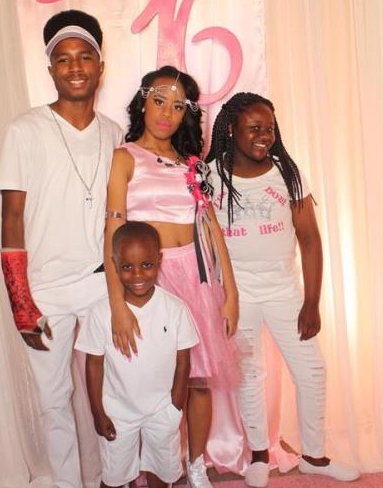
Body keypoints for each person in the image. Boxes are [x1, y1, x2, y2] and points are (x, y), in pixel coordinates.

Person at [0, 10, 123, 488]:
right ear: (50, 69)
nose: (75, 68)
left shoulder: (114, 133)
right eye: (63, 59)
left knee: (113, 390)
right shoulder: (25, 130)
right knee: (54, 399)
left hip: (100, 285)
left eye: (84, 56)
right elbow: (11, 218)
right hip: (45, 288)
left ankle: (113, 477)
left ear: (100, 66)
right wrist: (21, 302)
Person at [207, 92, 360, 486]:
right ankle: (259, 455)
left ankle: (314, 457)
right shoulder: (211, 176)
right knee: (249, 373)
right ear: (231, 129)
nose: (265, 136)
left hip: (284, 292)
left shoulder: (286, 174)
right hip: (237, 295)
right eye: (254, 128)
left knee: (311, 371)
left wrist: (311, 302)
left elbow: (310, 240)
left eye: (270, 128)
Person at [104, 65, 239, 487]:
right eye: (159, 101)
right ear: (143, 103)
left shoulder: (192, 165)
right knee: (153, 381)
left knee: (198, 378)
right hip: (151, 282)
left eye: (178, 106)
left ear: (187, 114)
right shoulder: (124, 158)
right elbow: (112, 234)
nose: (166, 113)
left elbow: (211, 229)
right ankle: (148, 469)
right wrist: (117, 304)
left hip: (196, 278)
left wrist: (230, 293)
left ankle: (195, 465)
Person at [75, 221, 199, 488]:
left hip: (162, 411)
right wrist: (97, 413)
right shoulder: (100, 313)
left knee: (161, 475)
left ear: (159, 260)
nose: (137, 274)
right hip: (118, 414)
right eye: (127, 267)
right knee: (114, 478)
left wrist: (175, 407)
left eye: (146, 264)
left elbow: (183, 362)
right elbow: (93, 364)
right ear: (114, 264)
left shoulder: (175, 309)